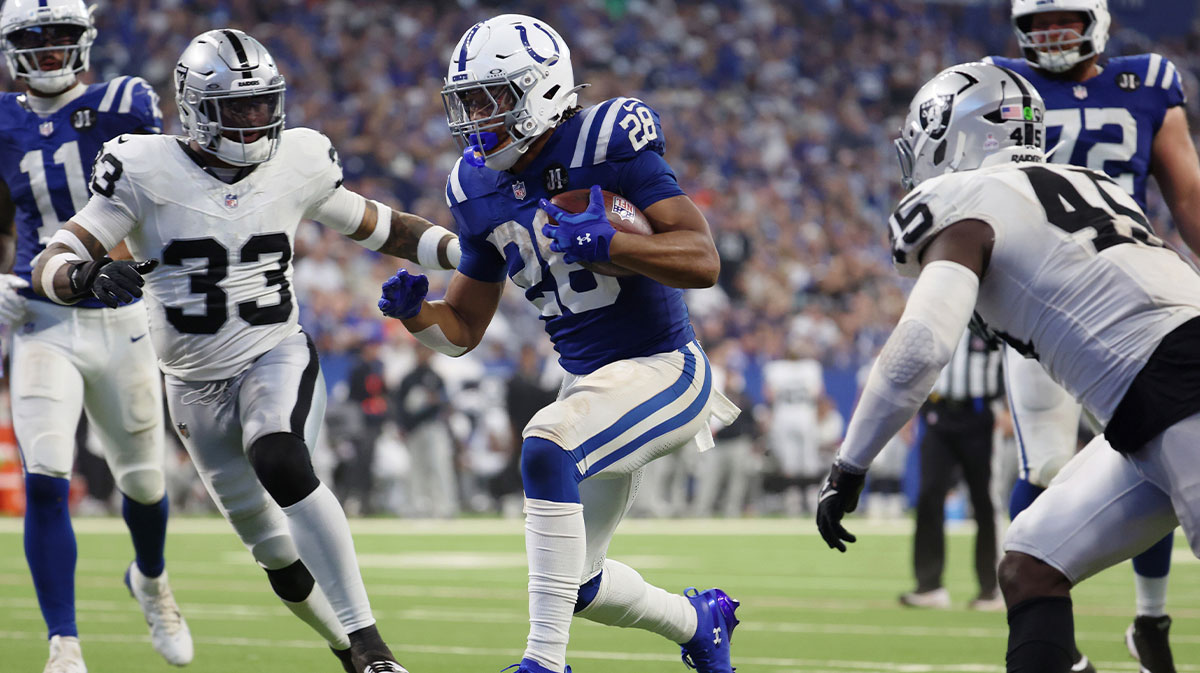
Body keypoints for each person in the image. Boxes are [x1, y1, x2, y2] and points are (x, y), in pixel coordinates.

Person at [29, 28, 459, 673]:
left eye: (264, 104)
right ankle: (347, 650)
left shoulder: (300, 160)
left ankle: (372, 645)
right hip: (191, 383)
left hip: (272, 350)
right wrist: (83, 277)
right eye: (240, 107)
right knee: (274, 556)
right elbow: (52, 259)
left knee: (280, 455)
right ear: (198, 106)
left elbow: (381, 225)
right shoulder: (143, 170)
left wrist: (465, 253)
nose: (257, 120)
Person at [377, 14, 741, 673]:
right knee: (576, 582)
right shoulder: (475, 185)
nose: (475, 116)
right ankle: (701, 623)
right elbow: (463, 329)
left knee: (546, 443)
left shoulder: (606, 140)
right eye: (468, 100)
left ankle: (543, 663)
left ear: (542, 91)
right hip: (590, 387)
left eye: (490, 98)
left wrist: (618, 243)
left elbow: (704, 259)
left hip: (665, 368)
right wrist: (418, 317)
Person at [814, 61, 1200, 673]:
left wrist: (849, 465)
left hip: (1175, 385)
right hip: (1146, 404)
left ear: (947, 133)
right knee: (1029, 564)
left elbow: (919, 346)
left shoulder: (961, 202)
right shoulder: (1090, 181)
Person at [984, 1, 1200, 668]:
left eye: (1063, 20)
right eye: (1038, 23)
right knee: (1045, 466)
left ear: (1097, 19)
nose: (1050, 36)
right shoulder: (997, 85)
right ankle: (1048, 625)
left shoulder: (1145, 84)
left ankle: (1150, 614)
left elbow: (1186, 197)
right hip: (1040, 307)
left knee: (1151, 448)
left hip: (1132, 302)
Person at [0, 1, 192, 670]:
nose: (49, 48)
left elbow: (155, 201)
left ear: (84, 40)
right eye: (33, 37)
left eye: (60, 35)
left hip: (120, 315)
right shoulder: (2, 120)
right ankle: (64, 643)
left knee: (142, 481)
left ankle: (152, 579)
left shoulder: (125, 102)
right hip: (41, 320)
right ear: (11, 46)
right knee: (47, 473)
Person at [899, 332, 1003, 611]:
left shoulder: (991, 318)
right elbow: (920, 363)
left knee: (984, 500)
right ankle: (929, 585)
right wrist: (907, 411)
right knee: (929, 495)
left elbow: (1011, 363)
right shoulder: (941, 313)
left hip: (979, 415)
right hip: (937, 412)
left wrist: (1008, 409)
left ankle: (990, 587)